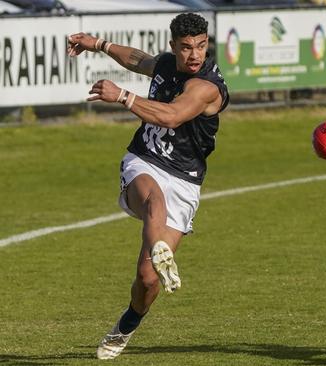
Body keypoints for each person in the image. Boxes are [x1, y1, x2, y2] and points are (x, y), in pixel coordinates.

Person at [67, 13, 229, 359]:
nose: (195, 54)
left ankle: (126, 326)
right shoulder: (168, 64)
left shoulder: (207, 87)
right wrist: (97, 44)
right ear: (174, 46)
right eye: (186, 48)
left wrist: (122, 95)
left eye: (201, 46)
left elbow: (171, 116)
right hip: (144, 161)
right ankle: (160, 249)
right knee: (154, 202)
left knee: (147, 281)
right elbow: (139, 60)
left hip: (184, 181)